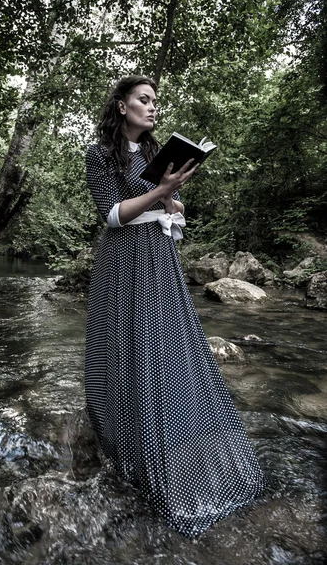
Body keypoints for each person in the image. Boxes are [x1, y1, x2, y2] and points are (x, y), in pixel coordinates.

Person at [85, 75, 266, 537]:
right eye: (144, 100)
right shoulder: (98, 154)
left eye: (155, 102)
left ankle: (176, 439)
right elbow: (112, 213)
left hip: (158, 253)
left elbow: (174, 209)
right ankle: (126, 439)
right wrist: (160, 192)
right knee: (128, 346)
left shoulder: (152, 153)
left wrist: (175, 198)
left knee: (166, 347)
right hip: (124, 256)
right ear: (122, 106)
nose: (152, 108)